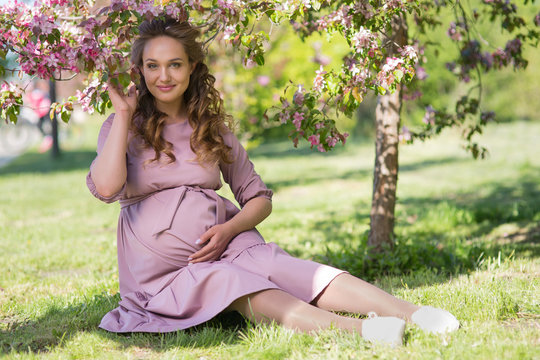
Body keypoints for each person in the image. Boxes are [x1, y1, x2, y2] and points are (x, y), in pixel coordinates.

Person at [87, 17, 459, 347]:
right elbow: (105, 188)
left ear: (192, 68)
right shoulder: (122, 127)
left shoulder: (210, 128)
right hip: (163, 273)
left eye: (174, 65)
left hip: (229, 244)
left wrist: (229, 230)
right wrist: (122, 114)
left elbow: (259, 199)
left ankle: (413, 313)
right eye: (152, 66)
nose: (163, 76)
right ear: (139, 70)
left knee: (288, 268)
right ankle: (360, 332)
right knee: (232, 281)